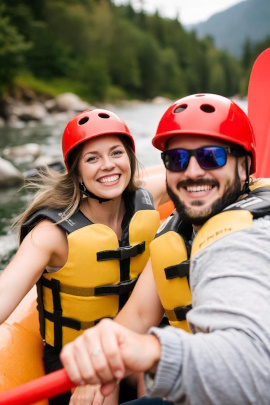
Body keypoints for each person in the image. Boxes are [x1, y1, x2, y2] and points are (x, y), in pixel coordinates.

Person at [60, 93, 270, 405]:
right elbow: (140, 313)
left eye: (212, 156)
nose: (193, 172)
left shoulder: (246, 240)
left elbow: (255, 370)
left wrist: (152, 351)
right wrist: (102, 367)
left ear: (245, 166)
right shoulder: (180, 230)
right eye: (178, 159)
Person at [0, 108, 169, 405]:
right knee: (105, 389)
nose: (108, 166)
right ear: (76, 171)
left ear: (130, 158)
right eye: (93, 158)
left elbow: (198, 176)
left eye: (116, 153)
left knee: (156, 370)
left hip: (135, 345)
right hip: (74, 363)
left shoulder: (148, 196)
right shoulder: (52, 234)